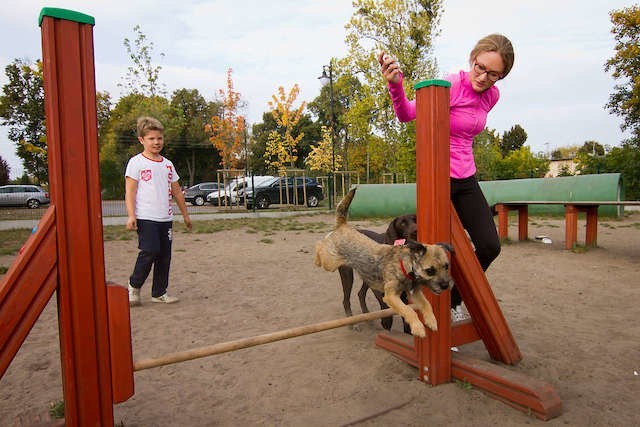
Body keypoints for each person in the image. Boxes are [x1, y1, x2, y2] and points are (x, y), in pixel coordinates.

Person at [378, 33, 515, 317]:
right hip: (438, 178)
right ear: (472, 59)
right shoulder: (451, 85)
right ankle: (412, 307)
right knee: (426, 251)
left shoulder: (492, 96)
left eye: (494, 74)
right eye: (480, 67)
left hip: (466, 179)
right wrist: (396, 86)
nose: (484, 77)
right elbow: (407, 115)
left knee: (489, 245)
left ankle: (453, 303)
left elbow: (468, 132)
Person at [125, 116, 192, 306]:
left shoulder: (167, 164)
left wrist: (185, 215)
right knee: (150, 250)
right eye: (151, 139)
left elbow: (177, 192)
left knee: (164, 256)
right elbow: (130, 191)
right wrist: (131, 215)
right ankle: (134, 286)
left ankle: (159, 292)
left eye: (159, 138)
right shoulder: (136, 162)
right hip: (146, 217)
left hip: (165, 218)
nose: (156, 142)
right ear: (142, 140)